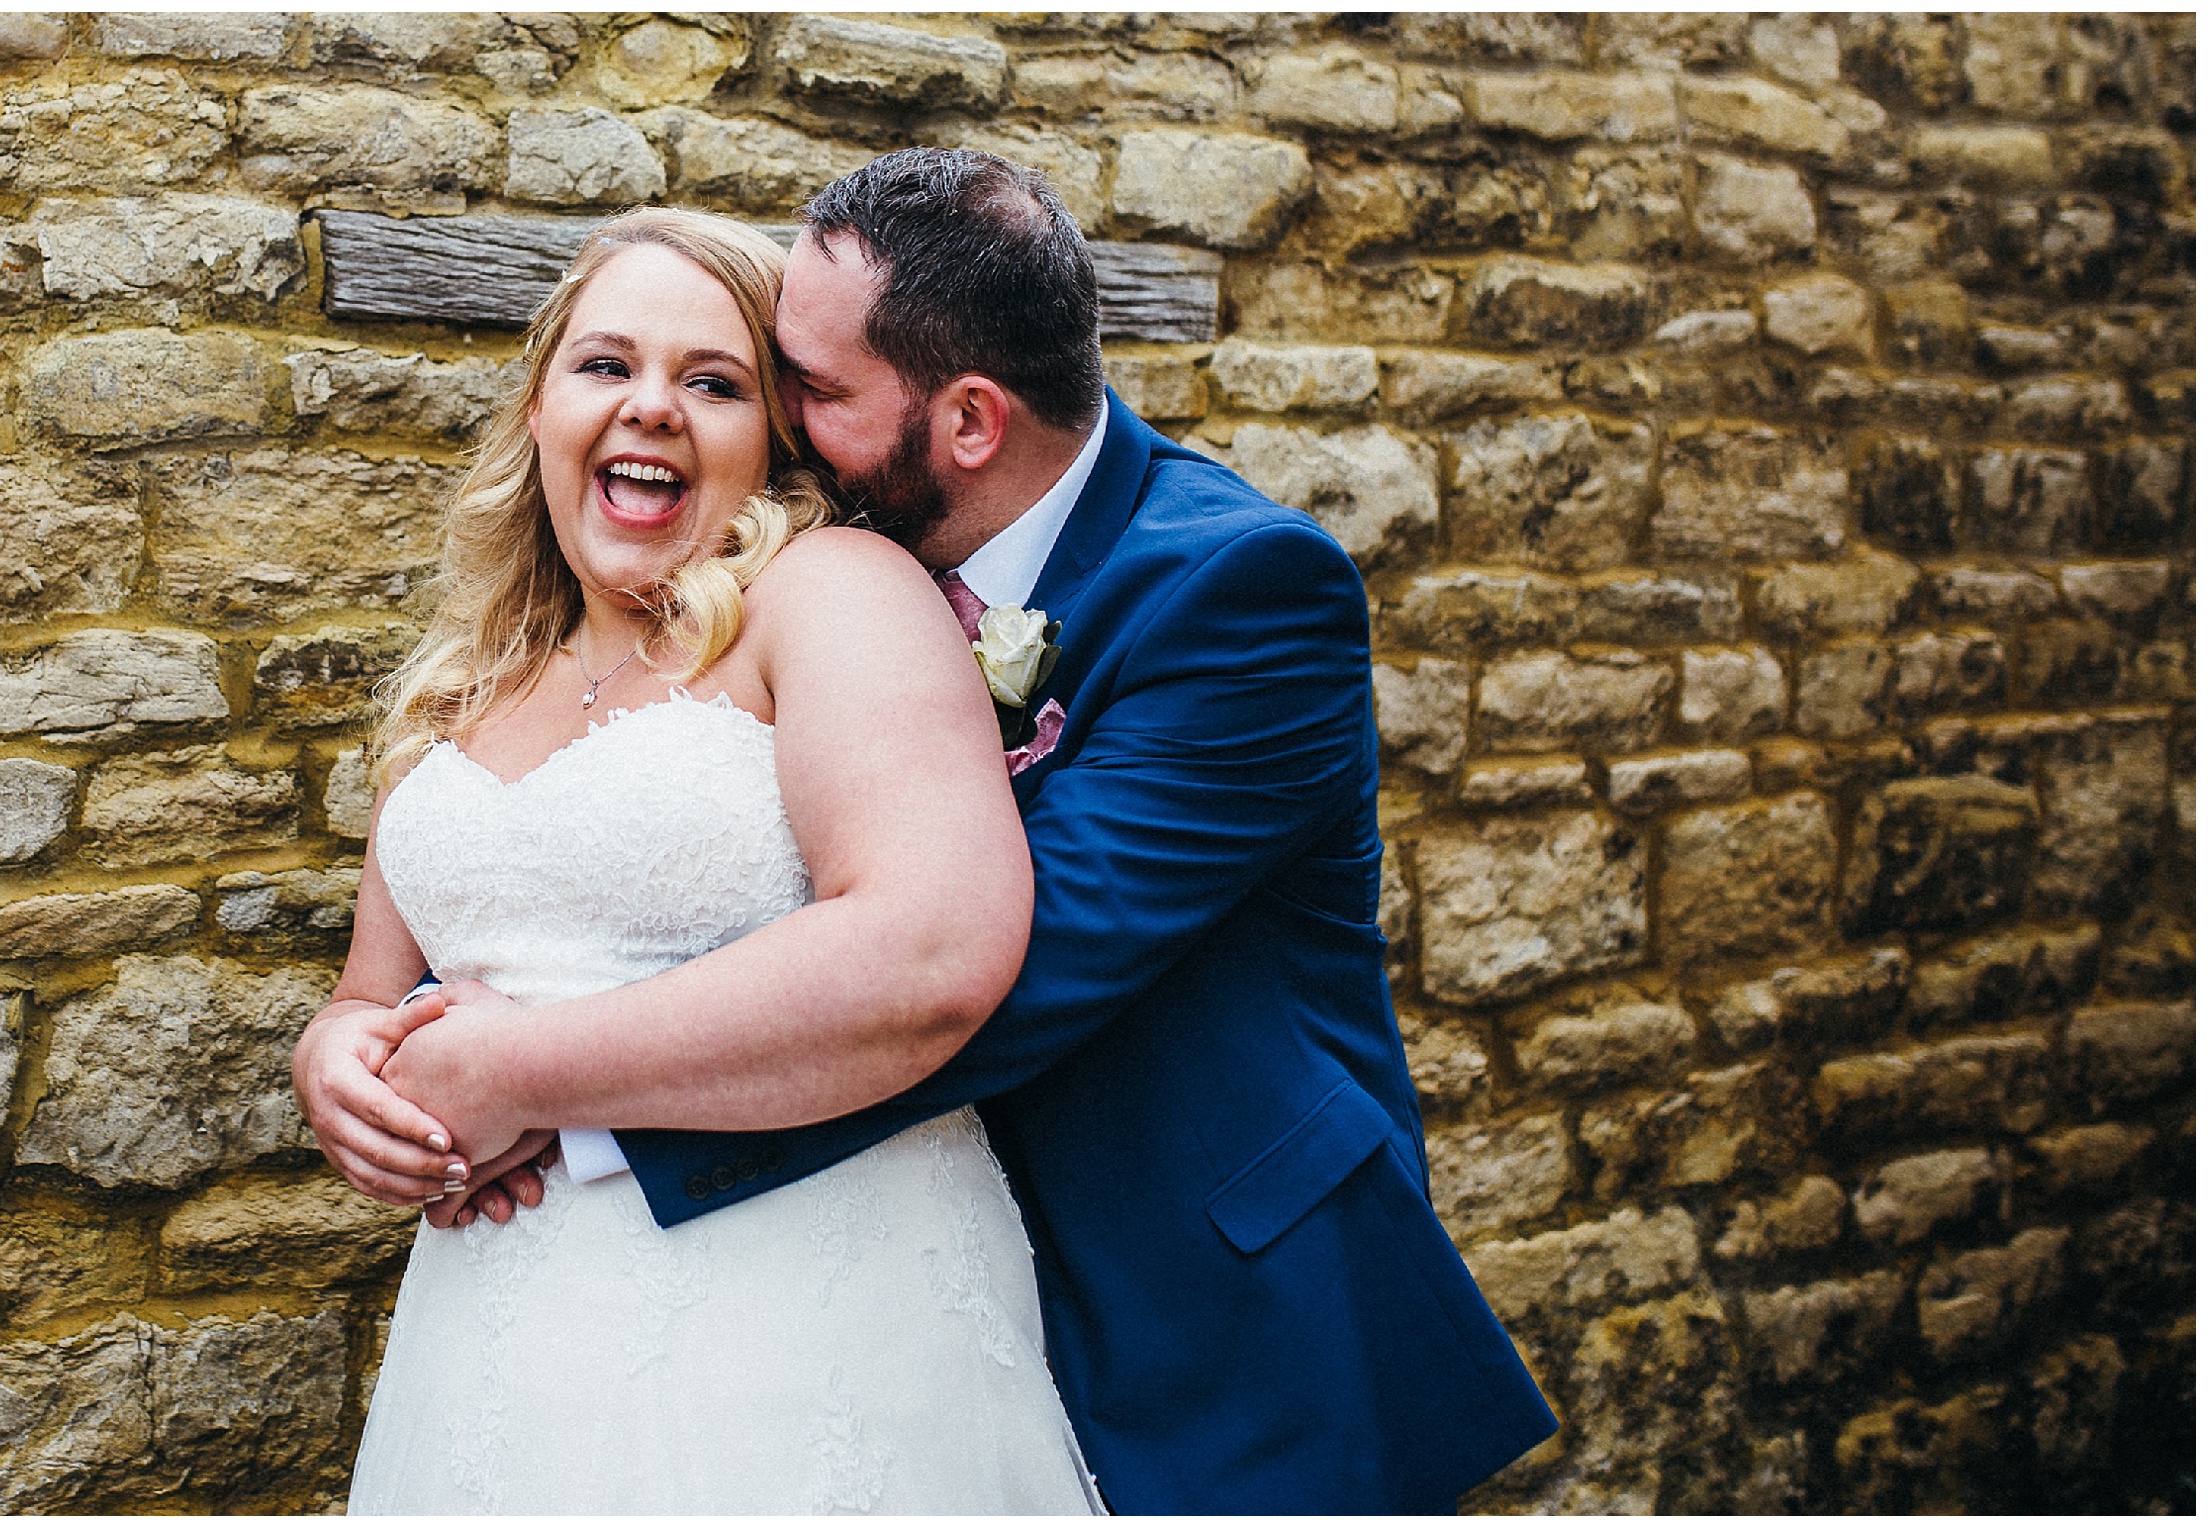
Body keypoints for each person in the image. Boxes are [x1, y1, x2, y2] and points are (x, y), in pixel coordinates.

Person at [308, 149, 1558, 1512]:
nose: (774, 419)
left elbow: (990, 963)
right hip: (636, 1297)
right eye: (613, 367)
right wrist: (360, 1053)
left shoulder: (1237, 594)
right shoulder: (576, 643)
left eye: (802, 390)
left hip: (1192, 1292)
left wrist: (536, 1085)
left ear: (967, 422)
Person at [298, 205, 1103, 1514]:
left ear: (771, 443)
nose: (652, 407)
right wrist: (336, 1067)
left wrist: (515, 1069)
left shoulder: (831, 593)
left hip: (802, 1324)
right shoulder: (468, 678)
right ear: (544, 406)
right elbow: (368, 998)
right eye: (607, 366)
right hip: (496, 1351)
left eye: (713, 382)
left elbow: (932, 948)